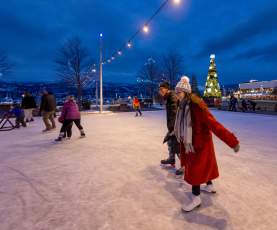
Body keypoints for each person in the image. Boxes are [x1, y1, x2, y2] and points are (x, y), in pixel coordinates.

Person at [174, 76, 240, 212]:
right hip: (194, 142)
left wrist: (232, 141)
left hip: (198, 145)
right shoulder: (183, 105)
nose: (177, 95)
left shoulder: (197, 106)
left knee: (195, 171)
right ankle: (209, 185)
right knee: (204, 166)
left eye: (179, 92)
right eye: (176, 92)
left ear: (186, 92)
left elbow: (214, 124)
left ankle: (196, 198)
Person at [159, 81, 182, 175]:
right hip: (172, 125)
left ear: (166, 89)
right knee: (170, 142)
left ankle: (186, 165)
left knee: (176, 145)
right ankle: (171, 159)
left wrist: (173, 128)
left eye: (162, 89)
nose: (160, 91)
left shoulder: (172, 97)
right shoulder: (169, 97)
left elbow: (174, 112)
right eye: (159, 89)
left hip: (175, 126)